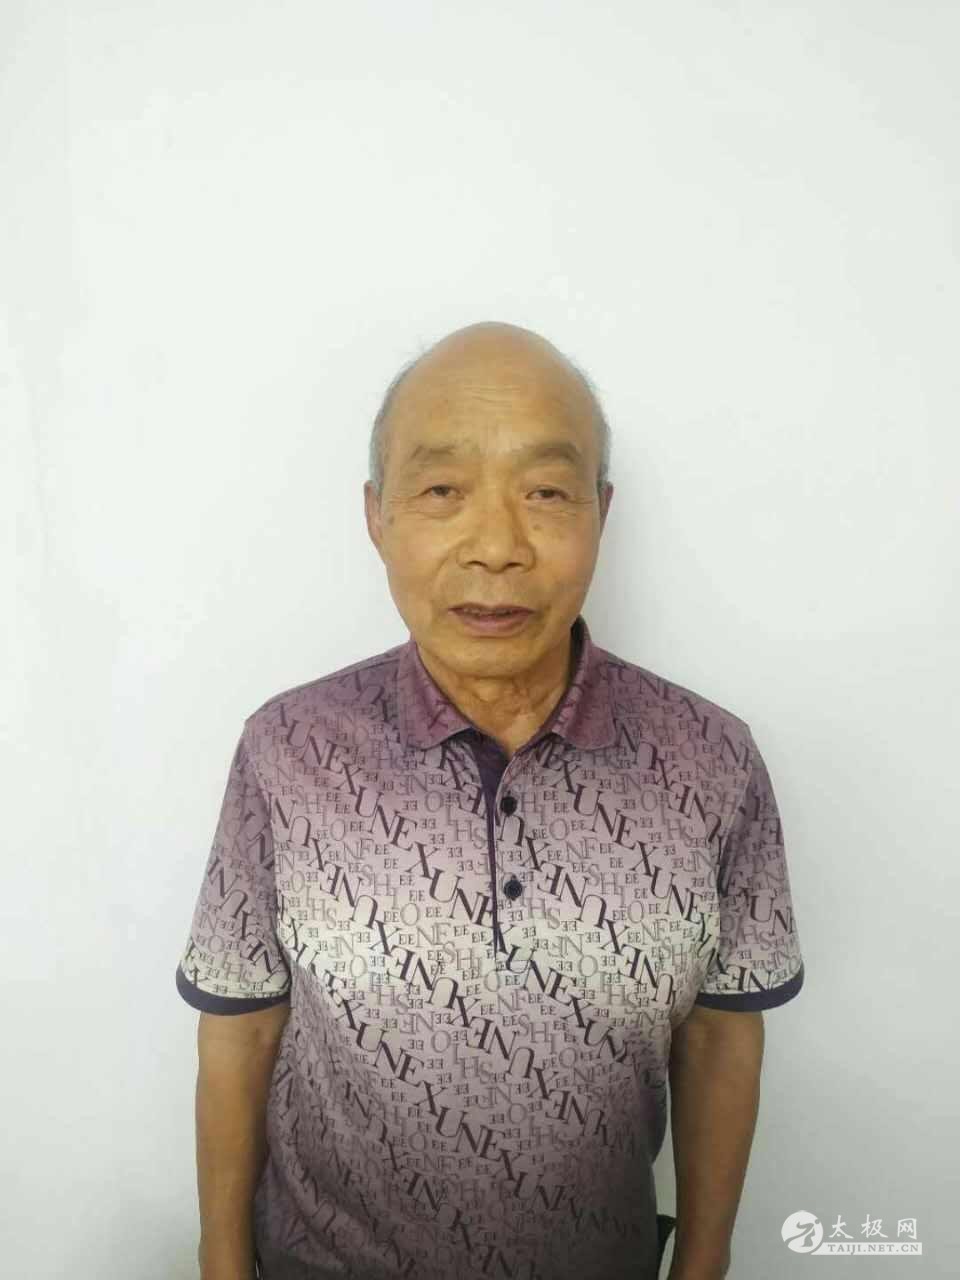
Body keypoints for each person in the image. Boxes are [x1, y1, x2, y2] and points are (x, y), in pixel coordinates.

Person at [175, 321, 805, 1280]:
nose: (498, 547)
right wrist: (221, 1265)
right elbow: (242, 1022)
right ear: (376, 516)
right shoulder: (287, 748)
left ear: (601, 513)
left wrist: (704, 1264)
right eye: (441, 490)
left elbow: (721, 1033)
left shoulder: (711, 758)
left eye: (546, 492)